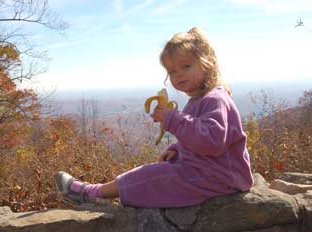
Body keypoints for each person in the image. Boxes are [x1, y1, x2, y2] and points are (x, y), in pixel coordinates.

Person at [55, 27, 254, 208]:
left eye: (186, 66)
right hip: (209, 172)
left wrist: (173, 119)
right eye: (172, 71)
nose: (178, 75)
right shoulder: (198, 100)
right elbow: (201, 139)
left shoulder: (215, 99)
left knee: (151, 176)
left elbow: (212, 141)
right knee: (155, 171)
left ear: (207, 63)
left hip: (220, 178)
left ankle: (90, 193)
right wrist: (177, 149)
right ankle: (96, 191)